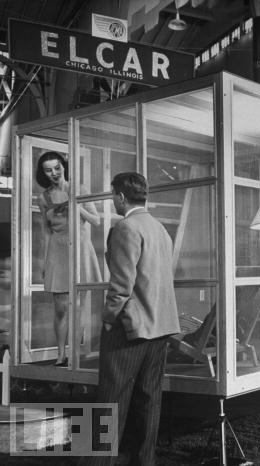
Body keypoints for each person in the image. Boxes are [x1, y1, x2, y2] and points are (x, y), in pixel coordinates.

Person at [93, 172, 180, 466]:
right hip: (161, 325)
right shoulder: (160, 228)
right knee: (148, 398)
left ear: (119, 196)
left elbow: (121, 284)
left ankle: (98, 463)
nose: (113, 200)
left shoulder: (125, 227)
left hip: (130, 326)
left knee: (110, 398)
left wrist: (107, 318)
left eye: (112, 195)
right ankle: (145, 461)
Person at [36, 151, 101, 366]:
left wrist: (77, 206)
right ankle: (61, 352)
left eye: (57, 168)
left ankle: (74, 351)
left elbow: (96, 221)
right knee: (61, 307)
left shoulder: (79, 189)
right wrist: (44, 261)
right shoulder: (43, 197)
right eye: (48, 170)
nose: (54, 173)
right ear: (43, 173)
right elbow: (46, 232)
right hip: (57, 250)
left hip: (80, 248)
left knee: (79, 305)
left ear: (64, 166)